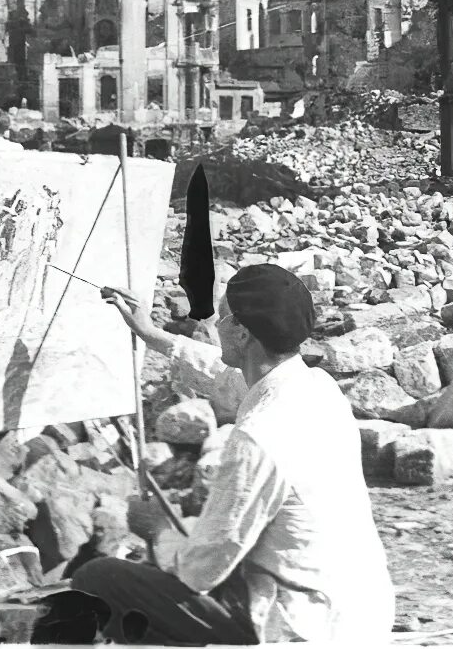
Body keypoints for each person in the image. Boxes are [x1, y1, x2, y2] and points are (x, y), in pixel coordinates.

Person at [76, 265, 395, 645]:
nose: (214, 325)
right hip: (362, 606)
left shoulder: (259, 435)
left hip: (305, 623)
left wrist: (158, 529)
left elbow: (200, 570)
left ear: (241, 332)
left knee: (98, 579)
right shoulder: (316, 386)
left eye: (221, 317)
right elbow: (226, 373)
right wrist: (152, 334)